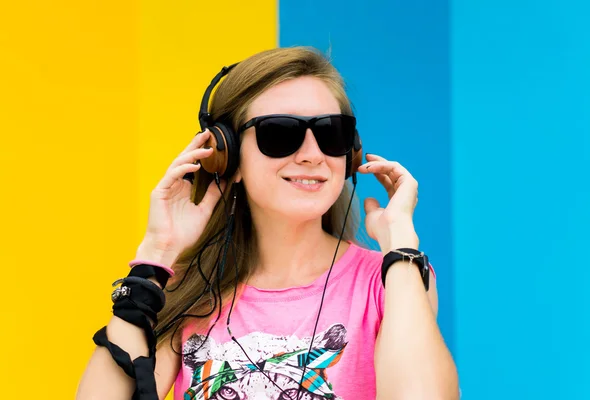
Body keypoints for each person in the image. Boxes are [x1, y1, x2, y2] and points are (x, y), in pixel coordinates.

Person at [76, 46, 459, 400]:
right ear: (226, 156)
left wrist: (401, 246)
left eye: (330, 133)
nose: (312, 155)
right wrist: (155, 256)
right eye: (280, 134)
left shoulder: (394, 279)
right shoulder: (185, 292)